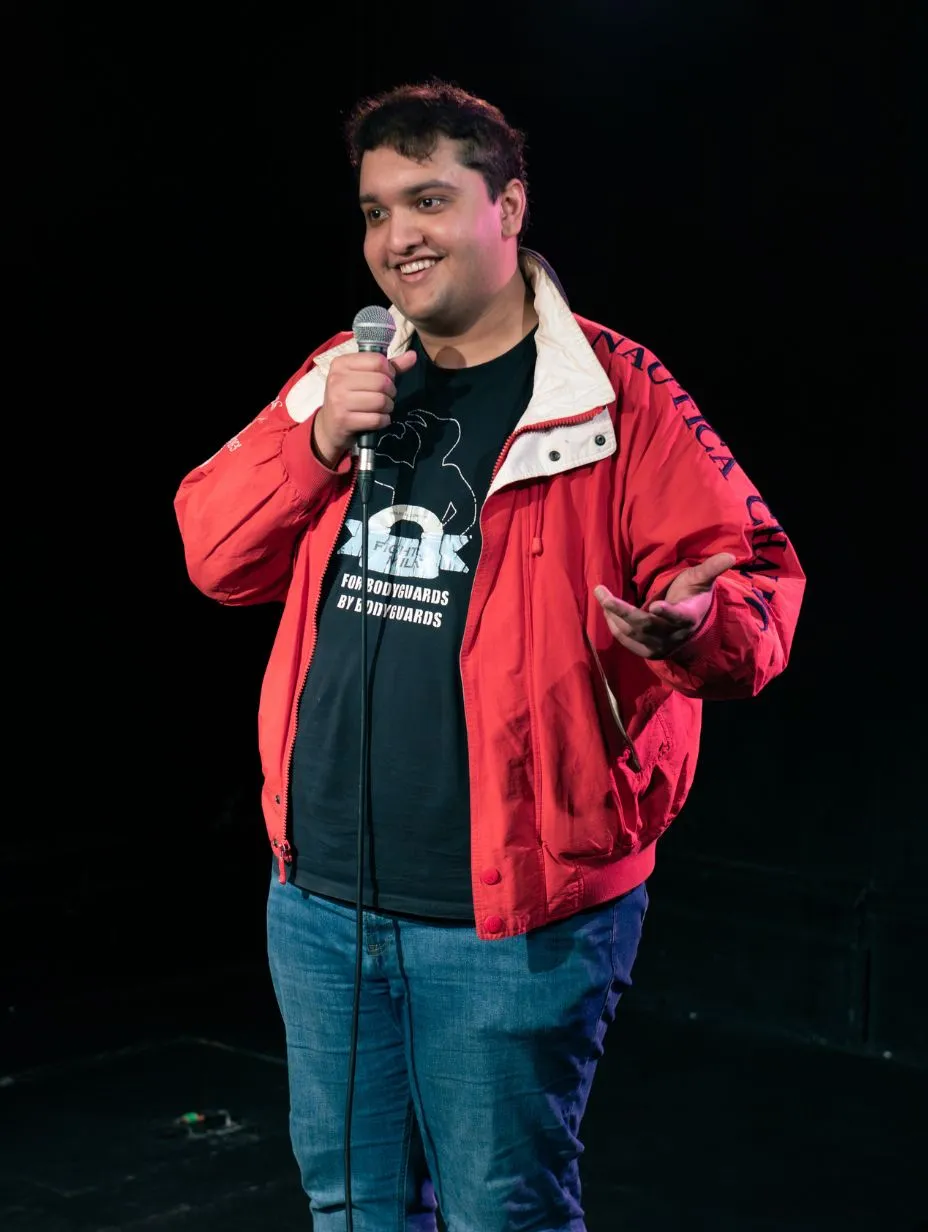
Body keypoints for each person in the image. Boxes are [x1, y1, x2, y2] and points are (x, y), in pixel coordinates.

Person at [174, 79, 805, 1232]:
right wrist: (316, 438)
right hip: (319, 897)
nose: (396, 236)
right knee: (350, 1204)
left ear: (506, 206)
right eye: (375, 211)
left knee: (500, 1213)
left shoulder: (614, 393)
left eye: (427, 199)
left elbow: (754, 585)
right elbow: (214, 556)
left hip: (513, 911)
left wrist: (695, 625)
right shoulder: (343, 374)